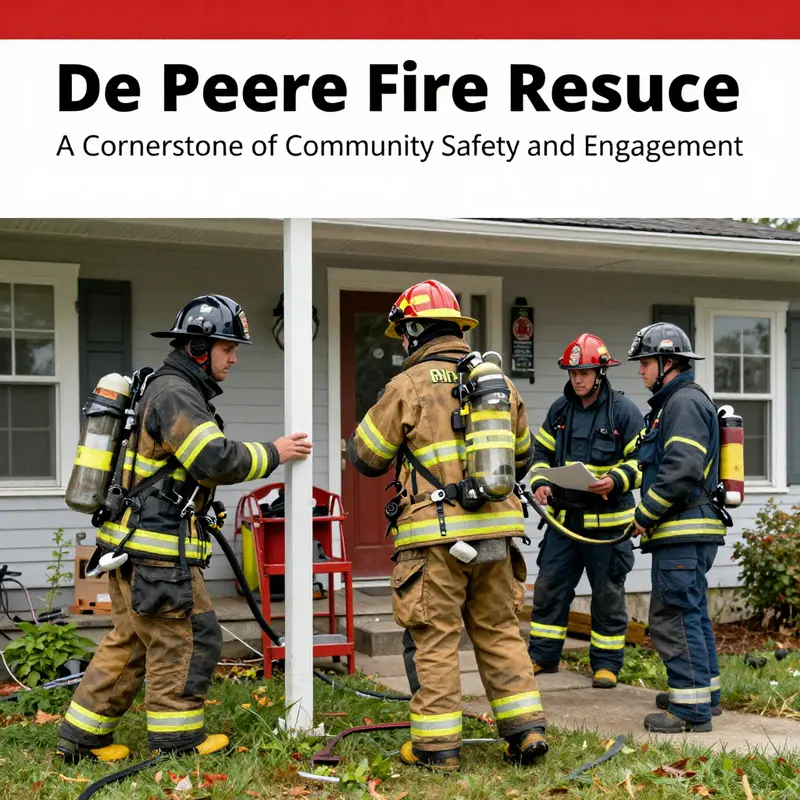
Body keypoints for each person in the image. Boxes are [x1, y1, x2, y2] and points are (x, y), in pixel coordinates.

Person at [56, 294, 312, 763]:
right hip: (158, 556)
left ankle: (80, 738)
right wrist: (275, 452)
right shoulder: (176, 393)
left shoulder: (164, 388)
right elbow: (214, 459)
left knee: (130, 643)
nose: (234, 358)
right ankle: (178, 741)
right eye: (227, 348)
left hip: (130, 547)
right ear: (198, 347)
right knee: (189, 638)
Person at [348, 279, 548, 772]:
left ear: (415, 331)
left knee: (434, 638)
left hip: (434, 539)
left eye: (402, 333)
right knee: (500, 631)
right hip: (498, 535)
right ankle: (526, 733)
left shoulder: (407, 385)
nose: (402, 342)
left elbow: (366, 457)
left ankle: (437, 750)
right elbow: (524, 457)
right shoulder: (499, 383)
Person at [627, 321, 727, 733]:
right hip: (689, 531)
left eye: (646, 362)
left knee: (674, 617)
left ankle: (689, 710)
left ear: (668, 362)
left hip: (682, 532)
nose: (640, 370)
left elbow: (681, 469)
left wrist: (644, 514)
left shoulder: (683, 404)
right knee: (692, 614)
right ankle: (705, 695)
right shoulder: (675, 404)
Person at [528, 334, 643, 689]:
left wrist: (615, 480)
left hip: (608, 529)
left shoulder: (623, 412)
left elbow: (643, 462)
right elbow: (541, 455)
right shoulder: (559, 411)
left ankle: (606, 664)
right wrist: (540, 482)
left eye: (584, 373)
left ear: (600, 373)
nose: (577, 379)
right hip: (564, 523)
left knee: (607, 596)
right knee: (549, 589)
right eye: (573, 372)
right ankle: (543, 656)